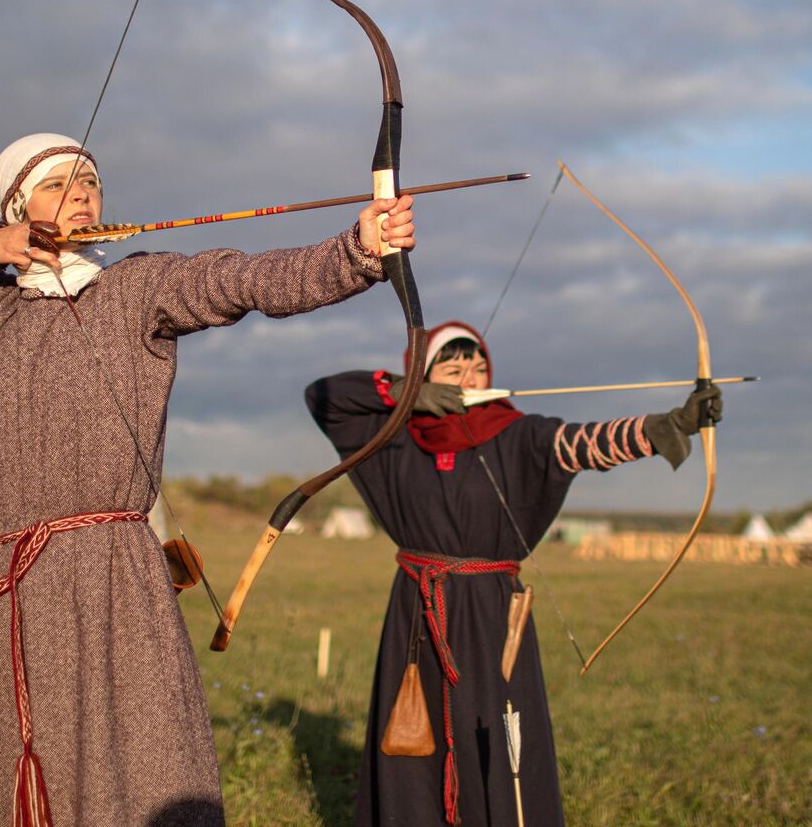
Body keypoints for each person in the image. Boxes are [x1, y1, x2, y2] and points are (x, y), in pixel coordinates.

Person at [0, 132, 416, 826]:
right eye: (59, 183)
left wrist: (356, 250)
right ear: (16, 205)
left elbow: (242, 279)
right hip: (9, 584)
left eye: (90, 180)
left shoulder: (137, 287)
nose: (83, 192)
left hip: (113, 571)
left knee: (130, 764)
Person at [305, 321, 720, 826]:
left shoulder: (518, 433)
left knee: (499, 738)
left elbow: (583, 444)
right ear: (425, 376)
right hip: (416, 612)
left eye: (478, 366)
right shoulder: (390, 438)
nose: (471, 377)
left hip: (491, 612)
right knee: (414, 735)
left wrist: (669, 425)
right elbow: (324, 395)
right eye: (453, 368)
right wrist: (403, 392)